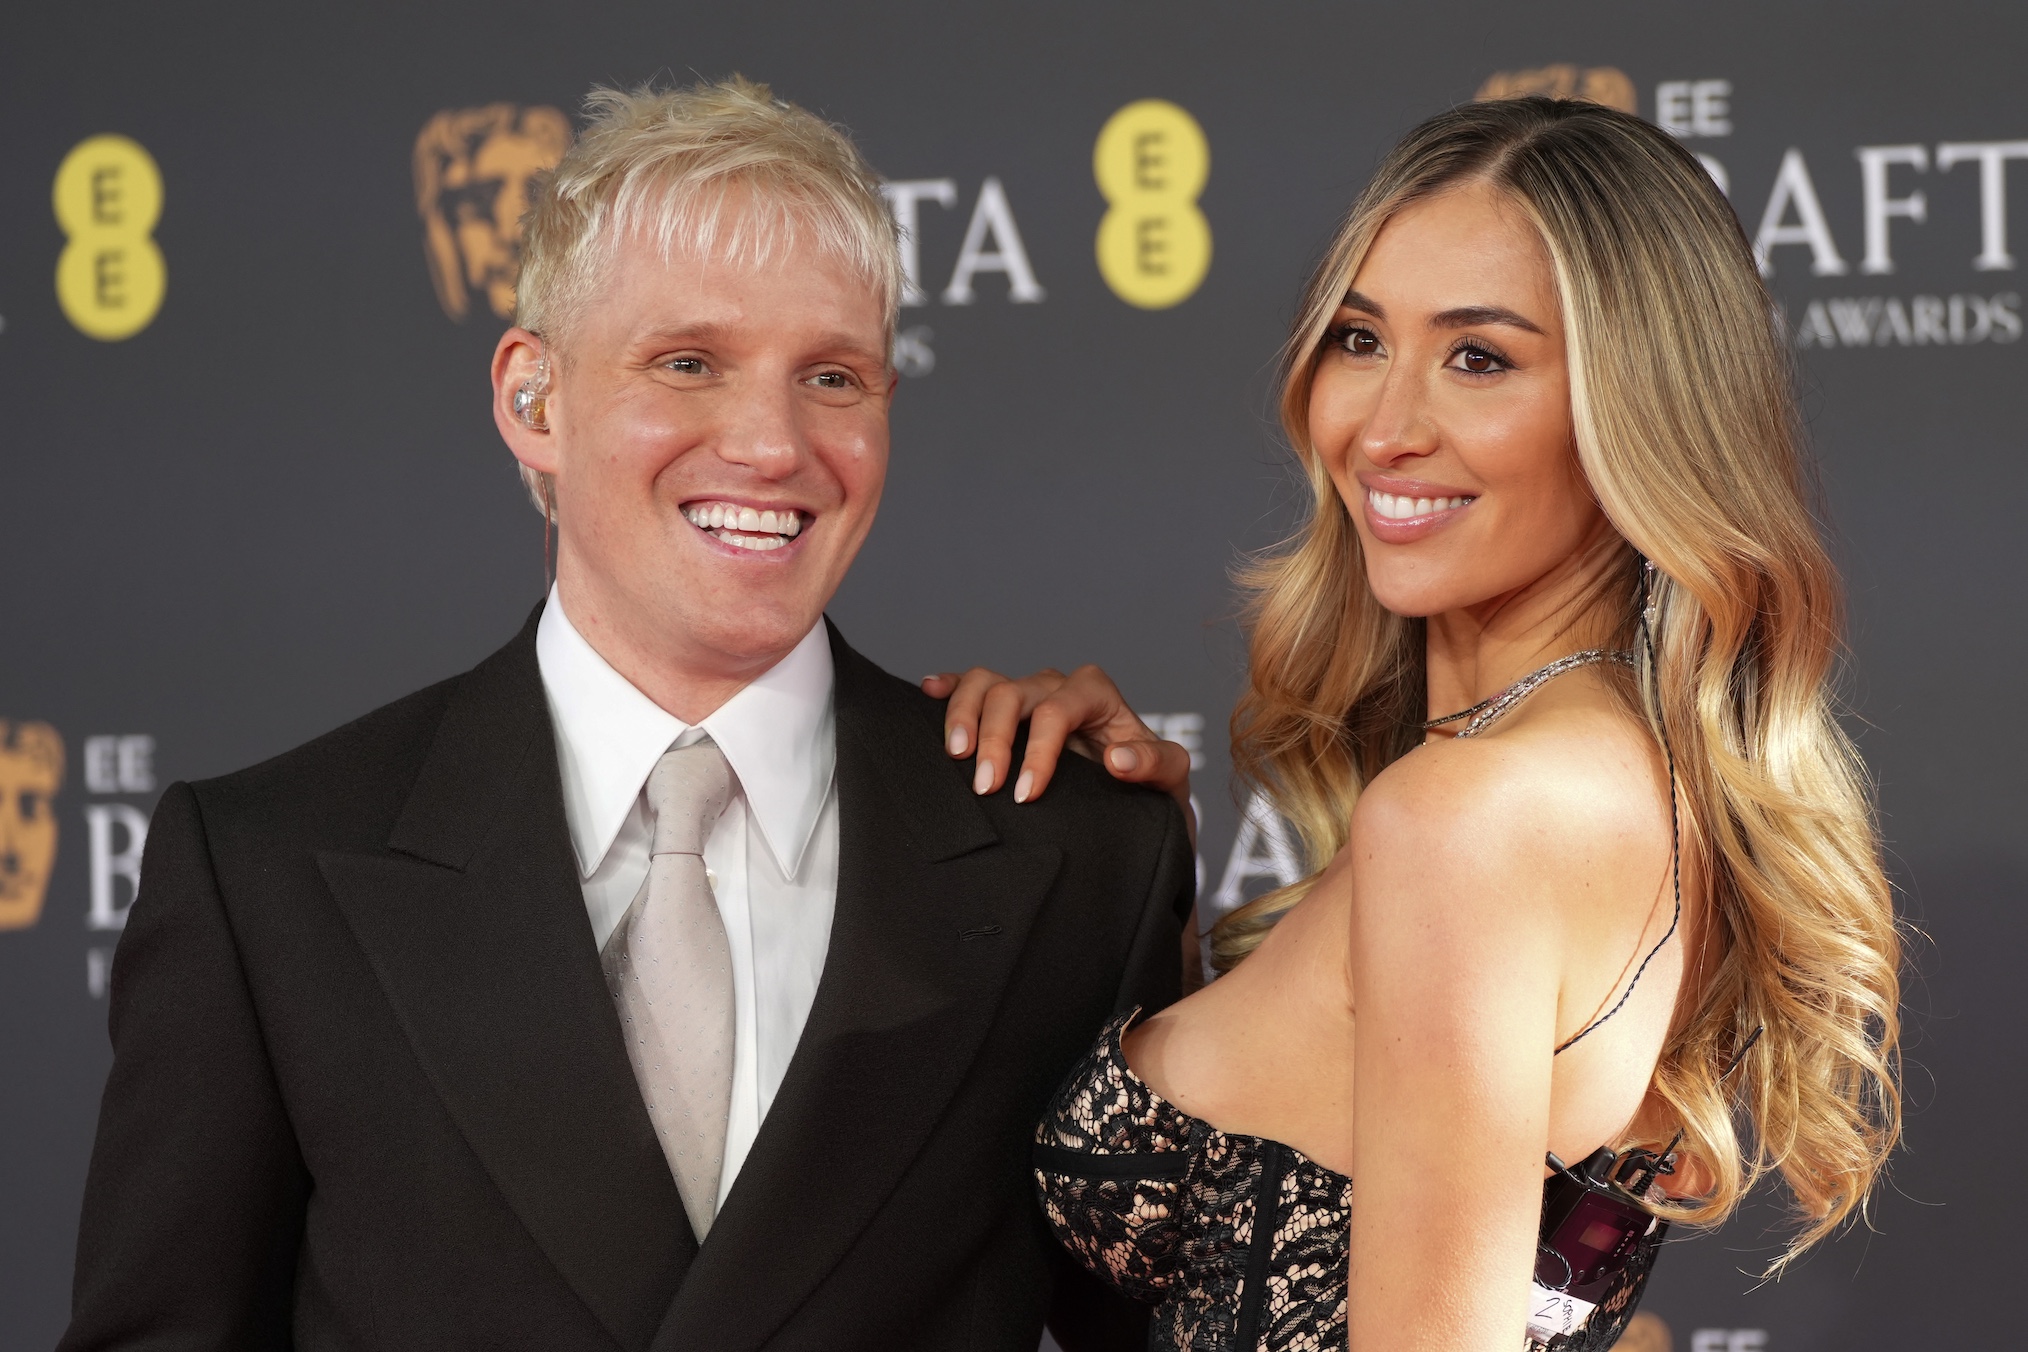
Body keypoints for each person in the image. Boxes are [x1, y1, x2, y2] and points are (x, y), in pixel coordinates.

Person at [59, 78, 1197, 1352]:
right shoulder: (264, 870)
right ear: (532, 398)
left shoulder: (1082, 857)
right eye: (689, 362)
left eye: (833, 375)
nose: (772, 443)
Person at [940, 96, 1902, 1351]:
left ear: (1640, 407)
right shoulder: (1597, 771)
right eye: (1358, 338)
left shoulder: (1473, 816)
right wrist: (1134, 857)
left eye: (1480, 357)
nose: (1382, 427)